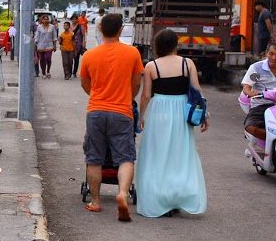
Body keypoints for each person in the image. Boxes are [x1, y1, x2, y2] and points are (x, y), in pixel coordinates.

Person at [78, 12, 144, 222]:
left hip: (96, 110)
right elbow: (136, 83)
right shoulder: (132, 53)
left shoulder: (90, 55)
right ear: (120, 30)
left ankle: (96, 201)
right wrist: (125, 97)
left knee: (94, 157)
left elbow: (85, 84)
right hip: (122, 111)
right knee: (125, 157)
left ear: (99, 29)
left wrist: (98, 96)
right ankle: (122, 193)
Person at [136, 29, 209, 218]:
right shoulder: (188, 63)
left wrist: (141, 116)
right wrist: (205, 114)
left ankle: (159, 199)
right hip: (181, 111)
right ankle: (179, 197)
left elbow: (146, 96)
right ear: (176, 45)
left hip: (159, 110)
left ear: (158, 45)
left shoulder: (152, 66)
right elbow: (196, 90)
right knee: (180, 155)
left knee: (157, 154)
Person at [33, 13, 59, 78]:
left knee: (48, 58)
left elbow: (54, 37)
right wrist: (35, 45)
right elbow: (37, 36)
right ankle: (43, 73)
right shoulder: (39, 27)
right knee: (42, 59)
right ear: (42, 20)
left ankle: (48, 71)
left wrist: (55, 46)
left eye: (47, 19)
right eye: (44, 19)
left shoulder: (52, 27)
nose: (46, 21)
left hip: (49, 45)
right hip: (41, 46)